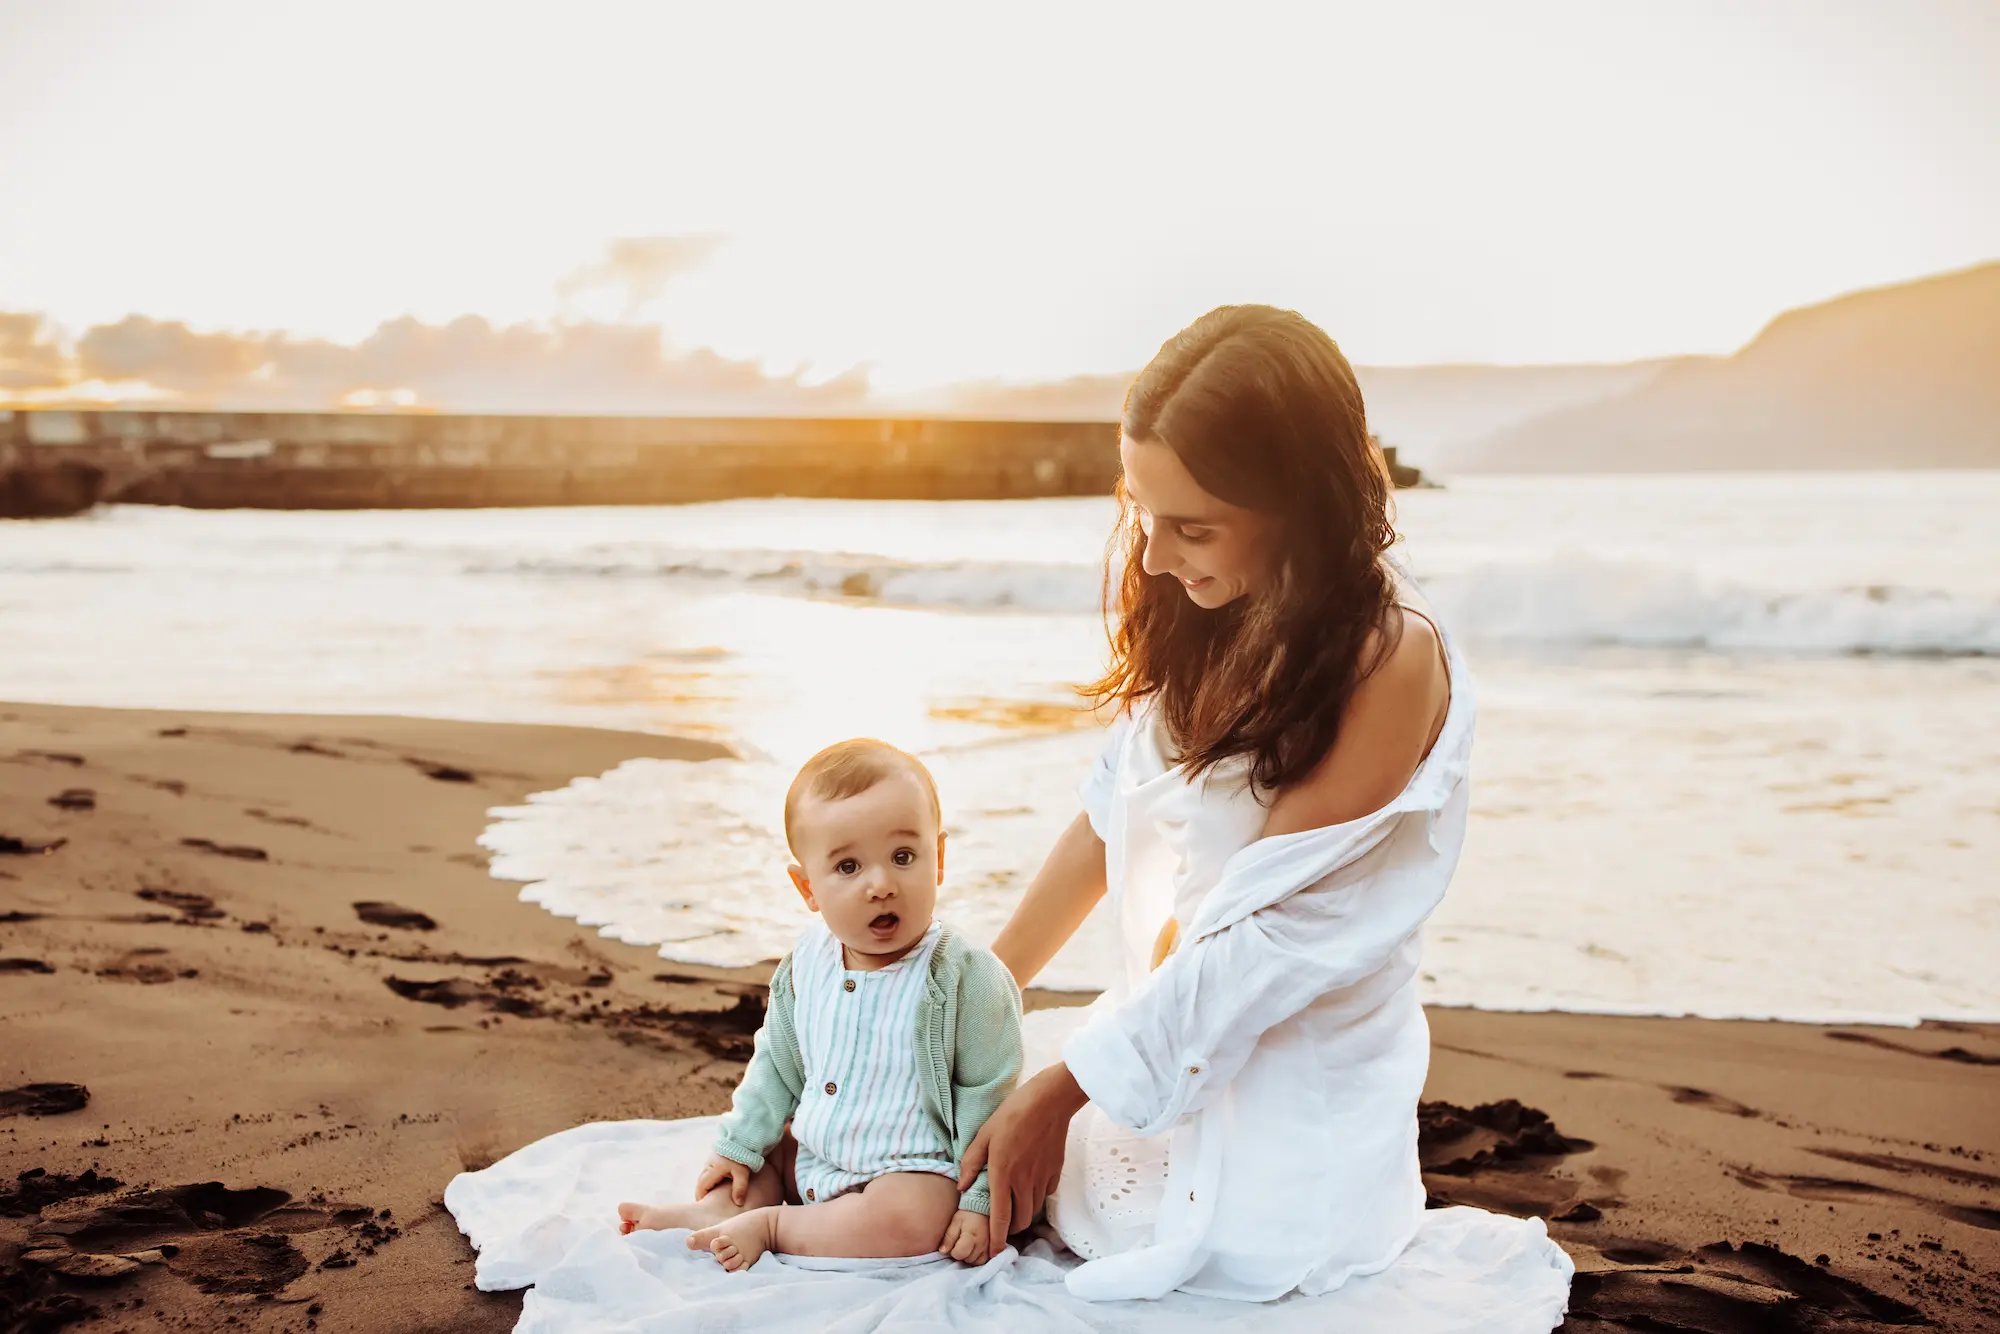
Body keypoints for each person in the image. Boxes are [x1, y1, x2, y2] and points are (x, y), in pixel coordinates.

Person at [956, 303, 1473, 1301]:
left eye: (1190, 527)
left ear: (1299, 503)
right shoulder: (1207, 605)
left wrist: (1065, 1092)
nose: (1150, 557)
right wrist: (975, 997)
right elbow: (1107, 818)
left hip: (1284, 1110)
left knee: (1062, 1178)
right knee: (915, 1116)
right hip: (1168, 1030)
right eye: (1141, 512)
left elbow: (1265, 940)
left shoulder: (1386, 654)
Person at [616, 738, 1023, 1272]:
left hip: (909, 1170)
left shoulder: (964, 975)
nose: (881, 885)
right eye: (849, 867)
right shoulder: (808, 962)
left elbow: (988, 1098)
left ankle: (776, 1225)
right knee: (767, 1156)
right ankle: (712, 1211)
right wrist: (738, 1145)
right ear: (807, 886)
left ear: (939, 858)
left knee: (917, 1218)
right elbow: (778, 1063)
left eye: (903, 857)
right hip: (815, 1152)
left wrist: (979, 1200)